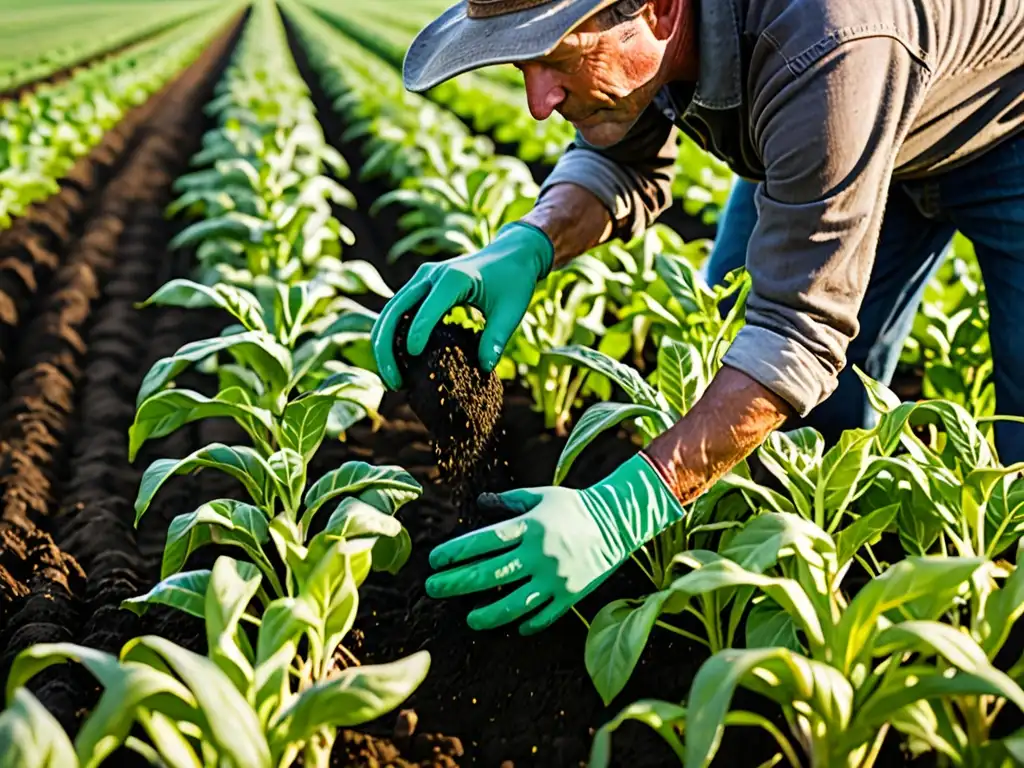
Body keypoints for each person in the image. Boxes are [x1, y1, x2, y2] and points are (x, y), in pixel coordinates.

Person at [370, 0, 1024, 635]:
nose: (539, 104)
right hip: (847, 115)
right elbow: (618, 158)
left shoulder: (823, 42)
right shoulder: (642, 37)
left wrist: (623, 509)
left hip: (1005, 126)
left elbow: (794, 334)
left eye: (557, 62)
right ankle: (807, 594)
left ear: (658, 11)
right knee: (794, 420)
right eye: (524, 70)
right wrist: (529, 243)